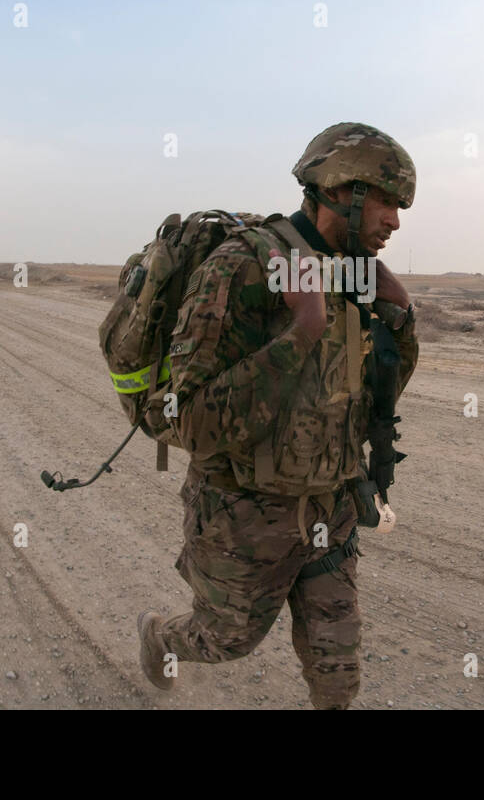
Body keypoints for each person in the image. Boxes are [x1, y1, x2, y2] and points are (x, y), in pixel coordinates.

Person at [137, 123, 418, 710]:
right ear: (343, 190)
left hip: (330, 509)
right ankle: (159, 635)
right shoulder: (242, 266)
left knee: (338, 673)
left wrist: (400, 319)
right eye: (388, 201)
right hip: (244, 514)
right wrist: (303, 332)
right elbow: (188, 420)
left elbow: (367, 400)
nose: (395, 220)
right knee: (225, 640)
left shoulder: (356, 273)